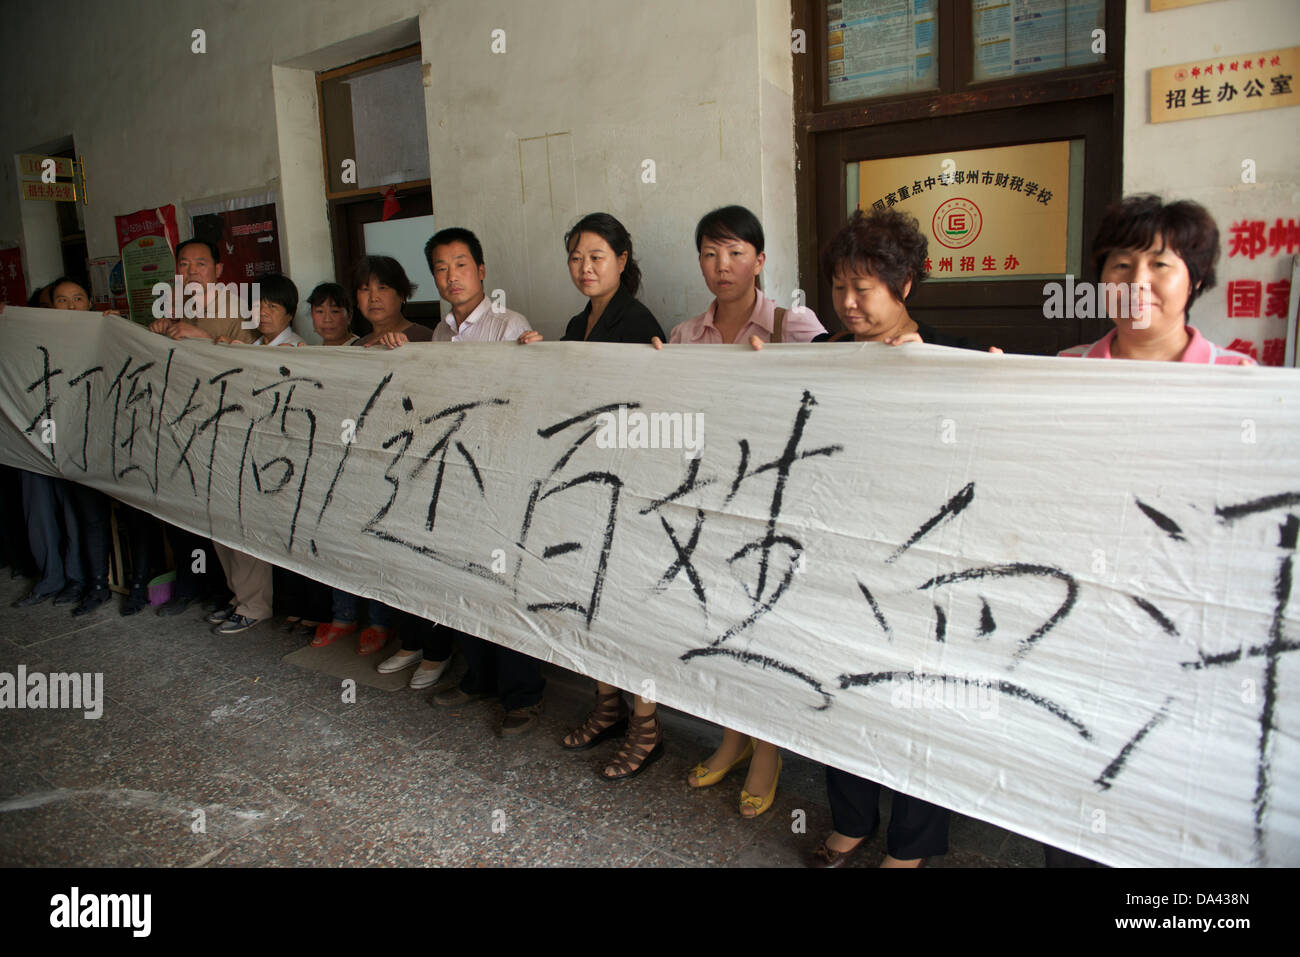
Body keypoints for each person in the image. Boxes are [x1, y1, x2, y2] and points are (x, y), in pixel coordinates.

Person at [805, 207, 992, 868]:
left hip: (923, 564)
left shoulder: (957, 360)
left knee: (917, 700)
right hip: (840, 555)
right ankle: (852, 818)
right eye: (838, 287)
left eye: (865, 288)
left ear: (907, 284)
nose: (848, 302)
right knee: (844, 687)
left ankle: (912, 844)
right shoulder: (821, 357)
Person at [653, 205, 825, 817]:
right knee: (714, 623)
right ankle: (729, 736)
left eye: (733, 252)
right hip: (707, 503)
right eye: (708, 253)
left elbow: (831, 398)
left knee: (764, 627)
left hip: (771, 506)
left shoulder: (793, 322)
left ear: (759, 259)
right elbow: (674, 422)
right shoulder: (683, 334)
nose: (720, 266)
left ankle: (768, 751)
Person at [369, 226, 544, 732]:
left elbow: (524, 400)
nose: (452, 276)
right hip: (449, 475)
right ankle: (479, 676)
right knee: (458, 577)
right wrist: (403, 356)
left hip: (497, 475)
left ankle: (522, 693)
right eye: (441, 268)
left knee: (502, 584)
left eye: (461, 264)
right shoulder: (441, 334)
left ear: (482, 270)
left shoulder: (510, 325)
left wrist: (534, 357)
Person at [520, 212, 669, 777]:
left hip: (627, 489)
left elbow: (648, 407)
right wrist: (540, 354)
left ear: (623, 261)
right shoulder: (578, 321)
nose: (585, 267)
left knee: (625, 605)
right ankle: (606, 704)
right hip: (585, 482)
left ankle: (647, 725)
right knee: (589, 600)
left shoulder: (637, 320)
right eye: (576, 257)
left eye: (597, 257)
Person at [8, 278, 115, 615]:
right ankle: (50, 577)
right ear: (49, 306)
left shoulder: (104, 333)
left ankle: (77, 578)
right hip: (34, 437)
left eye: (78, 298)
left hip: (79, 440)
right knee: (38, 510)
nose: (71, 307)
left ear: (90, 303)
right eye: (62, 300)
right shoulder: (29, 336)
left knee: (76, 511)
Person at [205, 274, 305, 635]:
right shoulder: (247, 345)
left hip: (269, 456)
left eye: (272, 307)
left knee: (245, 528)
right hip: (235, 448)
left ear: (289, 313)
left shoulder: (296, 350)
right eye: (257, 306)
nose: (262, 313)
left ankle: (254, 604)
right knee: (221, 525)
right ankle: (239, 595)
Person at [1057, 194, 1253, 365]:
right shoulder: (1065, 367)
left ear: (1196, 279)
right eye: (1122, 265)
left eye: (1159, 264)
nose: (1136, 282)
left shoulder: (1234, 372)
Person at [351, 256, 434, 347]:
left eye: (382, 288)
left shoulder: (426, 338)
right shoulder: (356, 346)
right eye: (365, 289)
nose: (373, 298)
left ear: (402, 294)